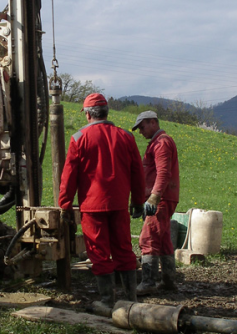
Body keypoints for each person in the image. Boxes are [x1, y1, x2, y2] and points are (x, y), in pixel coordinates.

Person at [59, 93, 145, 314]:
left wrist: (65, 205)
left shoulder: (79, 138)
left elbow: (69, 176)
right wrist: (137, 201)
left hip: (92, 206)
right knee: (124, 250)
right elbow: (137, 172)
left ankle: (107, 301)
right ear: (106, 112)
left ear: (88, 114)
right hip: (119, 204)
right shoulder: (126, 137)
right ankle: (131, 299)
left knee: (99, 253)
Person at [131, 110, 179, 295]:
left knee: (148, 238)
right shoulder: (158, 142)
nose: (141, 132)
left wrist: (154, 196)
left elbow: (163, 172)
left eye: (142, 127)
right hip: (164, 197)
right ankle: (168, 281)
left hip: (161, 199)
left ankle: (148, 282)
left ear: (153, 122)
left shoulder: (161, 143)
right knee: (164, 239)